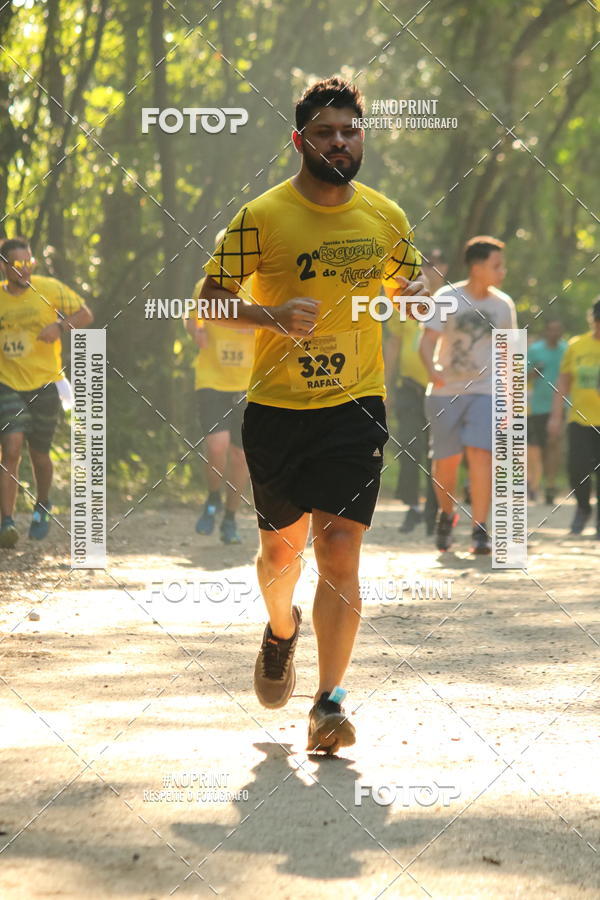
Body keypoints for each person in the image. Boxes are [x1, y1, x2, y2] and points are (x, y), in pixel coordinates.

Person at [196, 77, 428, 753]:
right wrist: (270, 314)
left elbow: (406, 292)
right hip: (277, 409)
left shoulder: (386, 215)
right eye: (324, 132)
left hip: (356, 405)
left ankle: (329, 702)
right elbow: (211, 297)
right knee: (279, 551)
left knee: (341, 549)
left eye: (350, 130)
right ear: (300, 141)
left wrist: (420, 293)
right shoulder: (262, 216)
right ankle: (280, 631)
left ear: (363, 137)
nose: (339, 141)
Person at [420, 236, 517, 554]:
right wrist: (432, 369)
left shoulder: (502, 305)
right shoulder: (448, 297)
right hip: (446, 390)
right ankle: (446, 516)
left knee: (481, 453)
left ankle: (480, 527)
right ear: (477, 267)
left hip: (485, 390)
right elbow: (426, 341)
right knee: (446, 462)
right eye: (496, 265)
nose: (502, 271)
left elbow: (508, 352)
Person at [0, 237, 93, 548]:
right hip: (7, 383)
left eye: (29, 263)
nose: (25, 269)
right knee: (11, 449)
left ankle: (43, 504)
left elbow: (85, 315)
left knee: (39, 454)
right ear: (4, 266)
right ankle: (7, 522)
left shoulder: (50, 288)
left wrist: (61, 327)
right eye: (18, 264)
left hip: (46, 383)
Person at [185, 230, 255, 545]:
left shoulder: (260, 288)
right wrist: (196, 333)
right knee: (217, 445)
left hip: (249, 384)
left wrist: (251, 325)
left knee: (241, 457)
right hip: (212, 378)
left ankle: (229, 517)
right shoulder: (205, 287)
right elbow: (192, 320)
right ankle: (212, 497)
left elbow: (275, 324)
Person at [548, 298, 600, 537]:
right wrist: (556, 416)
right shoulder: (576, 346)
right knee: (576, 469)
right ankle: (582, 508)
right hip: (579, 420)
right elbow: (564, 382)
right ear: (592, 321)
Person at [384, 314, 437, 533]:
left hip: (442, 390)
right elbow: (393, 345)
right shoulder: (403, 308)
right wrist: (385, 389)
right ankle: (412, 506)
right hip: (409, 388)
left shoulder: (448, 304)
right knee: (408, 445)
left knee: (437, 451)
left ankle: (434, 508)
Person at [527, 319, 566, 504]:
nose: (554, 334)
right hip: (539, 406)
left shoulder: (567, 350)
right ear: (546, 331)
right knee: (539, 449)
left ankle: (550, 485)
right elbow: (522, 375)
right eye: (551, 330)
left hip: (561, 405)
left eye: (557, 330)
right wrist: (534, 371)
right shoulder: (535, 350)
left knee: (554, 443)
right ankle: (536, 483)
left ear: (561, 332)